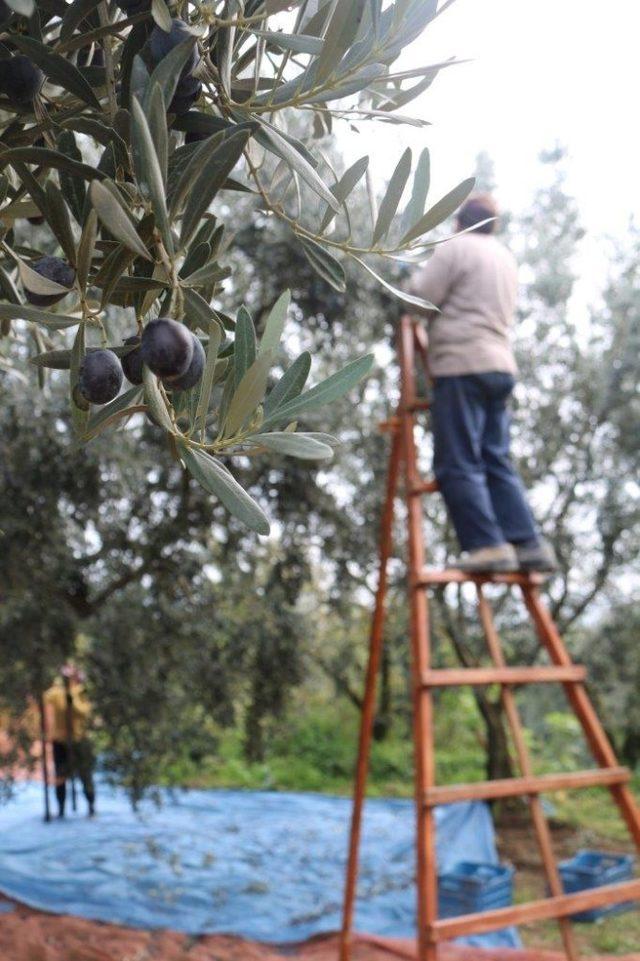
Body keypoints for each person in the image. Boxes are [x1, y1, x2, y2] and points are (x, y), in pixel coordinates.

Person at [409, 193, 557, 573]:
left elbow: (420, 298)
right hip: (500, 366)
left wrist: (405, 280)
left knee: (457, 460)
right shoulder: (504, 257)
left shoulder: (455, 247)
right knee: (495, 457)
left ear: (459, 221)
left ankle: (487, 545)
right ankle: (527, 542)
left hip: (461, 364)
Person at [44, 665, 96, 817]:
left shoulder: (82, 693)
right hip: (60, 740)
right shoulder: (57, 692)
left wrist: (72, 702)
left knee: (85, 774)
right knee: (60, 775)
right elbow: (45, 698)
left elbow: (85, 712)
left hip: (80, 740)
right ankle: (60, 809)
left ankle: (91, 806)